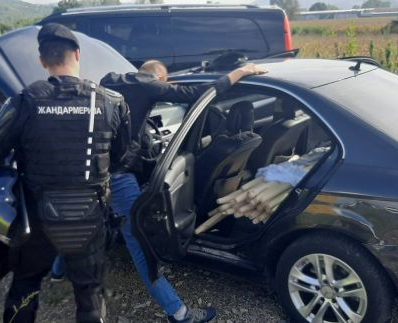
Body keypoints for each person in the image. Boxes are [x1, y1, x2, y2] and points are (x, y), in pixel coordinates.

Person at [51, 59, 267, 323]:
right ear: (161, 80)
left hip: (87, 172)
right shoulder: (150, 87)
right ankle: (178, 313)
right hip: (117, 178)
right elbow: (198, 93)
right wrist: (241, 71)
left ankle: (58, 269)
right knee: (140, 245)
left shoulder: (108, 80)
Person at [0, 23, 134, 323]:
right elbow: (123, 158)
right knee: (90, 296)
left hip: (37, 218)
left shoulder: (23, 101)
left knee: (26, 285)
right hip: (90, 218)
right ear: (77, 53)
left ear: (42, 60)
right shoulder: (112, 102)